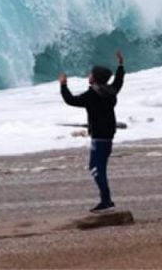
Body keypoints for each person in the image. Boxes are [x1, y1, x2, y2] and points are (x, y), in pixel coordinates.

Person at [59, 50, 125, 213]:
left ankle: (106, 200)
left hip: (100, 136)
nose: (89, 75)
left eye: (91, 74)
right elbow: (119, 81)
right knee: (97, 166)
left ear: (94, 78)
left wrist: (63, 85)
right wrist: (121, 65)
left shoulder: (92, 94)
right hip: (108, 133)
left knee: (96, 168)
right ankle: (106, 200)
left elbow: (71, 100)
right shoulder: (111, 91)